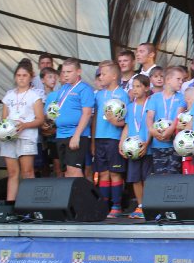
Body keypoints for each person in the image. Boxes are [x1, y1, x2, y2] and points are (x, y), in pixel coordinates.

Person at [0, 59, 45, 202]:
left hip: (26, 137)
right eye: (18, 75)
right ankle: (10, 204)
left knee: (27, 171)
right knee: (12, 173)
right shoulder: (8, 96)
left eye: (24, 75)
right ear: (15, 77)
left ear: (31, 77)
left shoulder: (35, 96)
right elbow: (4, 119)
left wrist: (24, 125)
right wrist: (4, 130)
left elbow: (40, 119)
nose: (21, 78)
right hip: (9, 138)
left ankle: (30, 204)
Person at [92, 60, 129, 218]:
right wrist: (93, 140)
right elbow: (95, 118)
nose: (100, 77)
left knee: (115, 172)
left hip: (114, 138)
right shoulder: (99, 95)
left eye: (104, 74)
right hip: (99, 138)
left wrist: (116, 123)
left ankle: (116, 205)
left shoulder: (123, 94)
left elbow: (128, 120)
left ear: (114, 76)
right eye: (100, 74)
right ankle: (104, 205)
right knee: (103, 173)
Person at [53, 58, 95, 178]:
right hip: (61, 134)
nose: (65, 75)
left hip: (75, 134)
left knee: (74, 170)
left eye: (69, 72)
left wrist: (76, 136)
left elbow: (87, 114)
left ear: (78, 72)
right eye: (64, 72)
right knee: (66, 171)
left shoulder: (84, 89)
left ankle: (82, 191)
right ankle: (71, 192)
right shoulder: (63, 89)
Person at [119, 74, 151, 219]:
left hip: (146, 148)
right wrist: (121, 143)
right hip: (132, 149)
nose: (135, 89)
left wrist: (147, 143)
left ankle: (149, 205)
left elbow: (152, 126)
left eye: (139, 86)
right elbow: (127, 126)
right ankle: (140, 205)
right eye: (133, 87)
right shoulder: (130, 107)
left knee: (147, 178)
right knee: (135, 178)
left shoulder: (150, 105)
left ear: (147, 88)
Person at [145, 66, 187, 175]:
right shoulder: (155, 97)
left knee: (173, 175)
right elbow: (149, 117)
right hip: (157, 144)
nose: (181, 82)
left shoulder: (182, 97)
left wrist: (171, 130)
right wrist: (152, 130)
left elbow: (179, 116)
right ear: (168, 80)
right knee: (159, 176)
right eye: (178, 79)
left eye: (182, 80)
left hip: (175, 144)